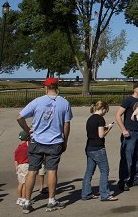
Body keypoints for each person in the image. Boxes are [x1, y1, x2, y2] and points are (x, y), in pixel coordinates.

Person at [16, 77, 73, 213]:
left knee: (32, 170)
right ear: (57, 87)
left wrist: (27, 129)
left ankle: (27, 202)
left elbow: (19, 117)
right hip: (55, 141)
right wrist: (65, 140)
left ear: (46, 87)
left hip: (37, 140)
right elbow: (66, 124)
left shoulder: (37, 101)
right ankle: (51, 200)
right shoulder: (64, 103)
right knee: (52, 170)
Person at [82, 101, 118, 201]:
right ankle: (105, 194)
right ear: (102, 108)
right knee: (104, 170)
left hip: (89, 147)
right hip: (98, 148)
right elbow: (101, 135)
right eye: (106, 110)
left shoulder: (90, 119)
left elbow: (94, 131)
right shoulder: (100, 119)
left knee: (89, 172)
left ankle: (86, 193)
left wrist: (104, 127)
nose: (106, 112)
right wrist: (109, 129)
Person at [115, 84, 138, 191]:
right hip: (129, 132)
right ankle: (123, 181)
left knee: (137, 157)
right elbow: (118, 115)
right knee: (127, 158)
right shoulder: (128, 100)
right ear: (135, 90)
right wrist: (123, 129)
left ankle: (134, 178)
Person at [14, 130, 30, 207]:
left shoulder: (18, 148)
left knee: (20, 183)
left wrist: (16, 168)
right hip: (25, 166)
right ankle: (24, 199)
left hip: (19, 166)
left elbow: (15, 160)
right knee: (25, 184)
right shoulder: (27, 145)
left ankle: (19, 198)